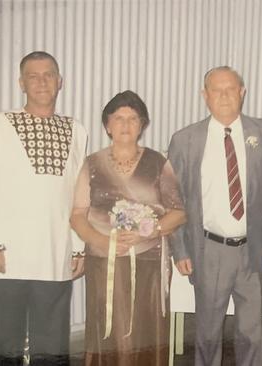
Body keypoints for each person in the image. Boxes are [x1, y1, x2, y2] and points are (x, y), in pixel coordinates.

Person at [0, 51, 88, 365]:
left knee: (51, 350)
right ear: (21, 83)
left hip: (54, 255)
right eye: (33, 76)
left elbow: (78, 196)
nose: (41, 82)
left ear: (59, 82)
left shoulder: (76, 130)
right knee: (3, 347)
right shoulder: (2, 124)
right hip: (8, 258)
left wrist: (78, 248)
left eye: (48, 74)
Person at [167, 66, 262, 366]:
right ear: (204, 95)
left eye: (230, 89)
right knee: (207, 332)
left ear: (242, 92)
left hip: (254, 249)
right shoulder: (185, 140)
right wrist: (179, 248)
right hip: (209, 251)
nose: (224, 96)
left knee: (252, 332)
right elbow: (172, 199)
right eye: (216, 90)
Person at [69, 90, 186, 365]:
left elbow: (179, 212)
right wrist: (102, 240)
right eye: (118, 118)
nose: (125, 124)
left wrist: (152, 229)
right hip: (103, 261)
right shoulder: (92, 163)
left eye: (133, 118)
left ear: (142, 125)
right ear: (107, 125)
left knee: (146, 330)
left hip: (149, 263)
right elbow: (77, 215)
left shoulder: (158, 162)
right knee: (108, 330)